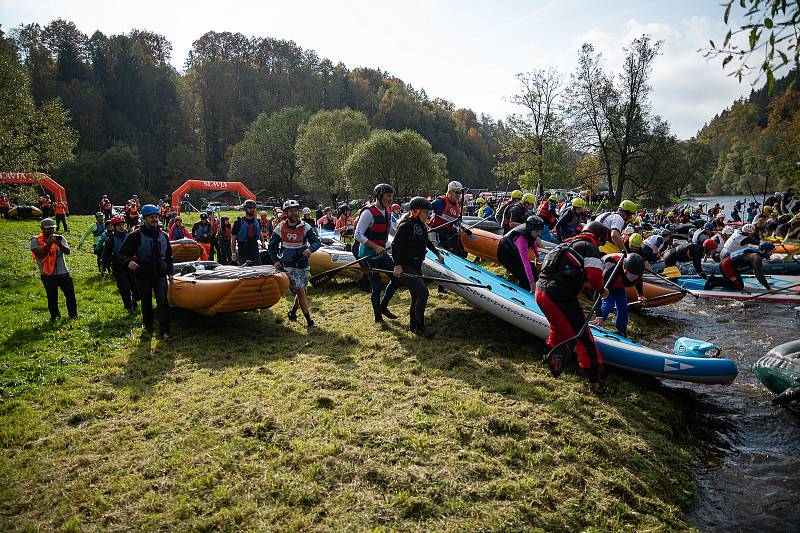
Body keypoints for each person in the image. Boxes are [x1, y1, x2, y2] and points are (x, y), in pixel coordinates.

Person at [535, 221, 608, 389]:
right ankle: (595, 380)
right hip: (558, 294)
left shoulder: (567, 243)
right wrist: (602, 289)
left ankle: (551, 360)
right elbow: (595, 275)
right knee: (583, 337)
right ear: (598, 237)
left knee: (558, 330)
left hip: (541, 291)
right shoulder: (589, 247)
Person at [391, 196, 445, 336]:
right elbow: (395, 245)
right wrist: (397, 265)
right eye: (425, 212)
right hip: (405, 266)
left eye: (428, 213)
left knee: (416, 296)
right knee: (423, 293)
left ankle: (413, 325)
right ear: (415, 211)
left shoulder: (420, 225)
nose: (428, 215)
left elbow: (426, 241)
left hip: (415, 265)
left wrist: (437, 253)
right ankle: (420, 327)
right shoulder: (406, 225)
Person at [119, 204, 173, 340]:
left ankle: (165, 331)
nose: (155, 219)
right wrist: (128, 262)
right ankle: (148, 327)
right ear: (144, 219)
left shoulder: (164, 236)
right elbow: (123, 254)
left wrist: (170, 272)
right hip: (143, 272)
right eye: (151, 217)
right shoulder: (135, 236)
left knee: (162, 301)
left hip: (160, 272)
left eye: (156, 217)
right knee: (146, 301)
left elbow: (168, 256)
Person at [268, 199, 321, 328]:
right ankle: (309, 321)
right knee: (300, 291)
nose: (293, 213)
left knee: (303, 291)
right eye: (291, 211)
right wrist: (275, 260)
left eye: (295, 211)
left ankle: (292, 312)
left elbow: (316, 242)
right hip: (289, 264)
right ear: (286, 213)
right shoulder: (280, 227)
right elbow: (271, 246)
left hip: (303, 263)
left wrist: (310, 249)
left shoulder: (305, 227)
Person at [354, 183, 401, 323]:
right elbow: (358, 235)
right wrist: (375, 247)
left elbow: (391, 229)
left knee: (396, 278)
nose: (390, 199)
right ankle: (378, 317)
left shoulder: (387, 211)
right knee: (377, 284)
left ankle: (383, 307)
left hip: (381, 252)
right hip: (367, 255)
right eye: (388, 196)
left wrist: (402, 236)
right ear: (379, 196)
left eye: (391, 196)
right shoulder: (368, 212)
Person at [30, 218, 77, 320]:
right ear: (42, 229)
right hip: (47, 275)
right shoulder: (35, 241)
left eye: (52, 228)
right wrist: (50, 243)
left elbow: (68, 252)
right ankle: (55, 317)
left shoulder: (60, 238)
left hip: (63, 272)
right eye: (48, 229)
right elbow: (40, 255)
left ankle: (73, 316)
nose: (51, 230)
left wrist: (59, 243)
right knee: (52, 297)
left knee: (70, 295)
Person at [591, 253, 645, 337]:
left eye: (636, 275)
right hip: (606, 285)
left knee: (623, 306)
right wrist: (598, 315)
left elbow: (638, 282)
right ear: (624, 268)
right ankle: (596, 324)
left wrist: (640, 294)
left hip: (619, 286)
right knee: (609, 304)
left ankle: (621, 331)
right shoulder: (611, 269)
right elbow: (597, 292)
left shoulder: (637, 271)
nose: (634, 278)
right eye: (632, 275)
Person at [101, 216, 139, 312]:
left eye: (122, 224)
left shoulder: (130, 235)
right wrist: (103, 267)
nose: (121, 227)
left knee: (136, 287)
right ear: (114, 227)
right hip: (119, 267)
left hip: (132, 265)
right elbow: (106, 254)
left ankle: (134, 300)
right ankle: (128, 306)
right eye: (118, 226)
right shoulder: (111, 239)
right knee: (124, 288)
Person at [497, 215, 544, 291]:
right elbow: (525, 263)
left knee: (535, 274)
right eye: (537, 231)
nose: (539, 234)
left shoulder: (531, 232)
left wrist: (537, 254)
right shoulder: (522, 239)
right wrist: (532, 283)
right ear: (530, 229)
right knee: (524, 279)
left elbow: (532, 242)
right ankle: (524, 292)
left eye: (540, 231)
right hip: (505, 254)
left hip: (513, 252)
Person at [705, 242, 776, 292]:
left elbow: (757, 271)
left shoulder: (758, 254)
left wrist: (764, 283)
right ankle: (713, 279)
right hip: (726, 266)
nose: (771, 254)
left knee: (740, 285)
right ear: (763, 251)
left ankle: (719, 282)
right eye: (770, 252)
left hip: (732, 267)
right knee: (738, 286)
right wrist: (769, 288)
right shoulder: (756, 257)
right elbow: (759, 274)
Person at [431, 181, 466, 256]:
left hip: (446, 233)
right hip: (436, 231)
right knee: (439, 252)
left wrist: (459, 227)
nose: (459, 195)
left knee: (449, 251)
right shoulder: (440, 202)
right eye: (456, 192)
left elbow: (456, 220)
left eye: (460, 192)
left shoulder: (457, 205)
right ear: (450, 192)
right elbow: (426, 208)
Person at [231, 200, 264, 265]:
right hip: (243, 251)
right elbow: (233, 239)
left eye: (254, 208)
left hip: (255, 251)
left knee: (258, 271)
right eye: (250, 208)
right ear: (245, 209)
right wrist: (233, 253)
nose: (252, 209)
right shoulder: (238, 223)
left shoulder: (257, 222)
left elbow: (260, 232)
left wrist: (262, 241)